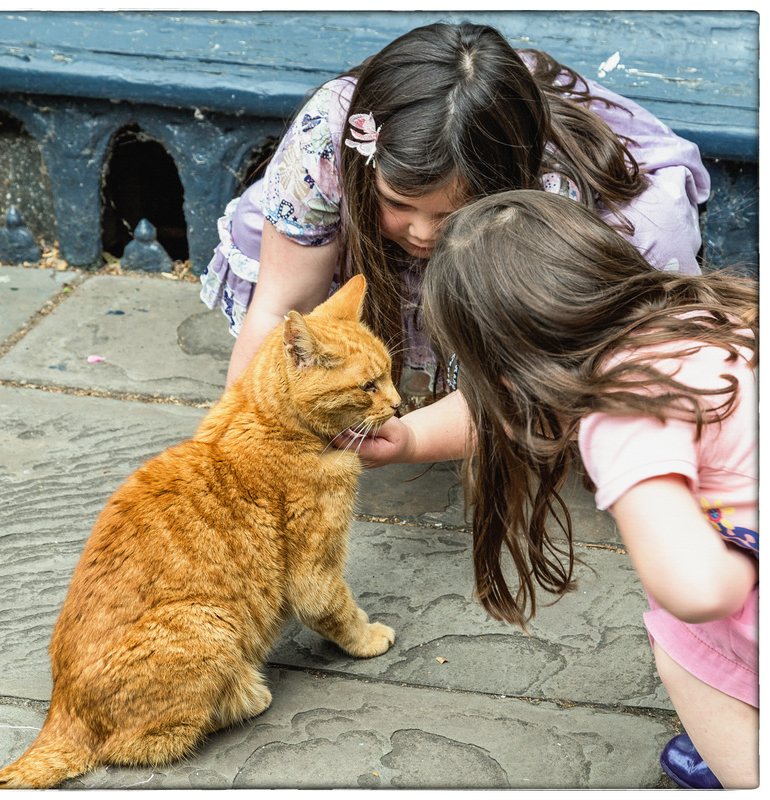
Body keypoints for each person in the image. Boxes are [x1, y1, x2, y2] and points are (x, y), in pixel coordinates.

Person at [361, 190, 756, 789]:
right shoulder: (714, 315)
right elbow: (517, 404)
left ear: (500, 372)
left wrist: (738, 567)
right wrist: (410, 438)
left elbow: (698, 590)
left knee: (682, 638)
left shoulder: (623, 414)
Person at [200, 21, 710, 406]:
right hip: (386, 177)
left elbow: (511, 375)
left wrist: (413, 439)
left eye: (451, 212)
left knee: (641, 263)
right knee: (268, 216)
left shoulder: (547, 194)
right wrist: (235, 444)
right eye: (398, 202)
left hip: (577, 204)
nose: (422, 233)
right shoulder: (326, 135)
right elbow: (277, 308)